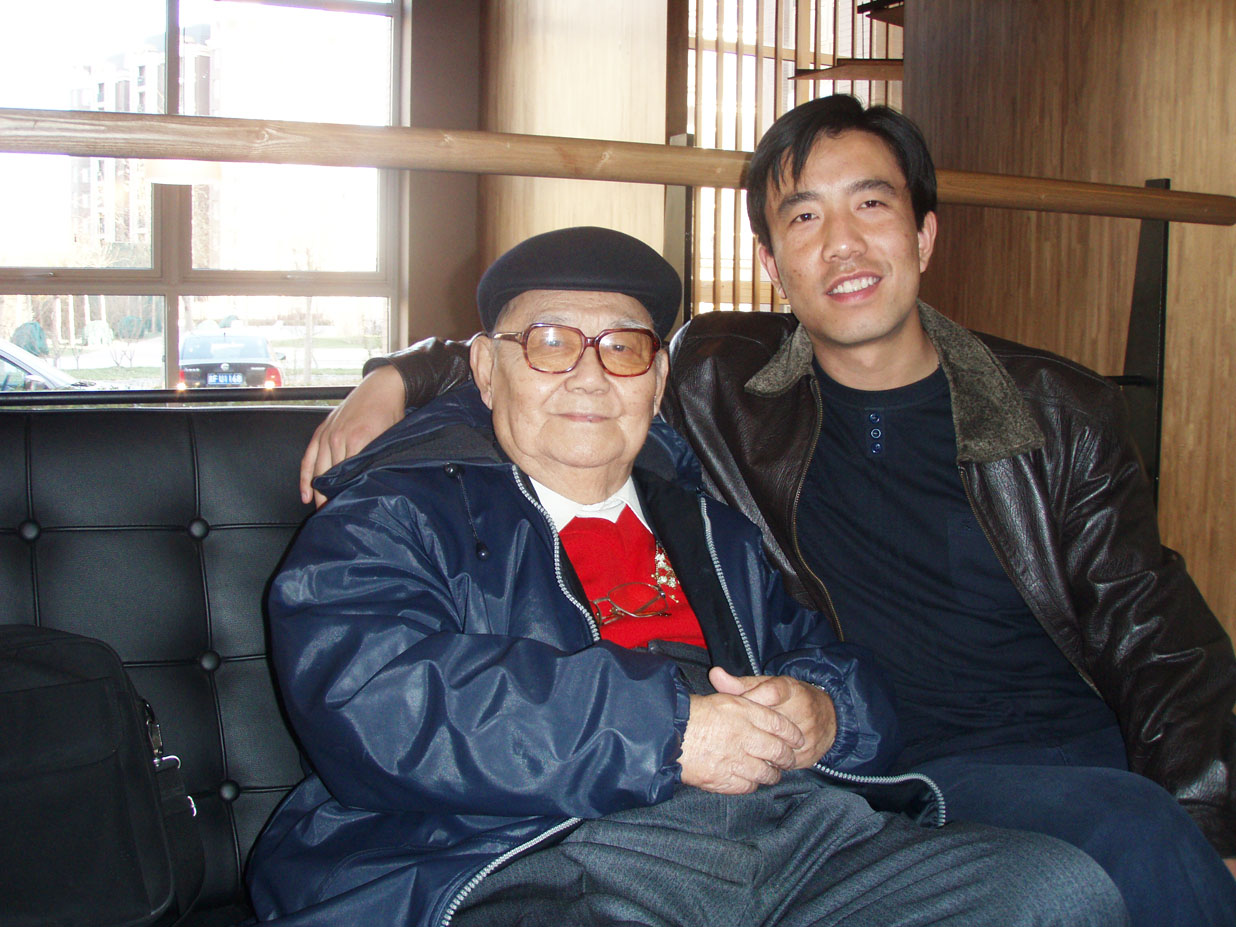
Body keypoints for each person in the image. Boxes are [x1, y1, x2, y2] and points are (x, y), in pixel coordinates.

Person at [297, 98, 1236, 927]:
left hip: (872, 792)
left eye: (872, 205)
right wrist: (393, 377)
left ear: (924, 235)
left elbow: (1156, 632)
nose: (843, 245)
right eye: (805, 216)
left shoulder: (1049, 415)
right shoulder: (415, 503)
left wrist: (825, 711)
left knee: (1083, 870)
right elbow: (372, 687)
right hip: (631, 834)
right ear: (771, 261)